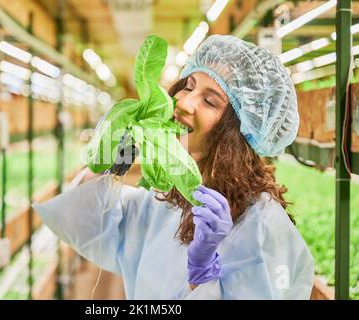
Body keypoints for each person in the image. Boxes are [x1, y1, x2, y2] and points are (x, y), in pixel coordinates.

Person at [33, 35, 314, 299]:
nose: (184, 103)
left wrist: (202, 274)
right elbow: (90, 223)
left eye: (209, 101)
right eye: (188, 87)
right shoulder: (168, 200)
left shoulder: (263, 224)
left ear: (238, 134)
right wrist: (110, 158)